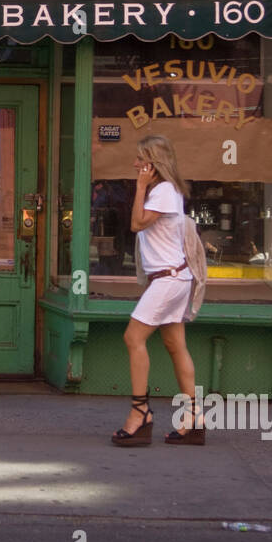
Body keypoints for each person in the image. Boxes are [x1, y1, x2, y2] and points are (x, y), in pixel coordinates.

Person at [112, 135, 204, 447]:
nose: (135, 165)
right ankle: (194, 419)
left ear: (153, 163)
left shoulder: (163, 191)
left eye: (140, 160)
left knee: (133, 337)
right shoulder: (168, 191)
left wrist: (139, 187)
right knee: (175, 344)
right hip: (174, 278)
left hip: (168, 280)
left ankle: (140, 415)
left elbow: (137, 224)